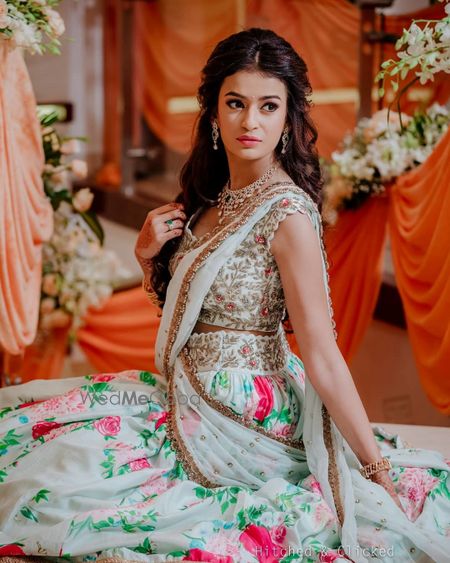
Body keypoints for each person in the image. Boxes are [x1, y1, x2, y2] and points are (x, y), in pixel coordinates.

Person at [0, 28, 448, 563]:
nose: (250, 121)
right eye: (235, 103)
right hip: (183, 394)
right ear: (214, 111)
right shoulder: (213, 200)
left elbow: (323, 355)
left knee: (72, 489)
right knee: (42, 449)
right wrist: (148, 258)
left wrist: (374, 470)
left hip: (242, 416)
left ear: (289, 116)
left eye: (268, 105)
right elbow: (195, 320)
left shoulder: (287, 216)